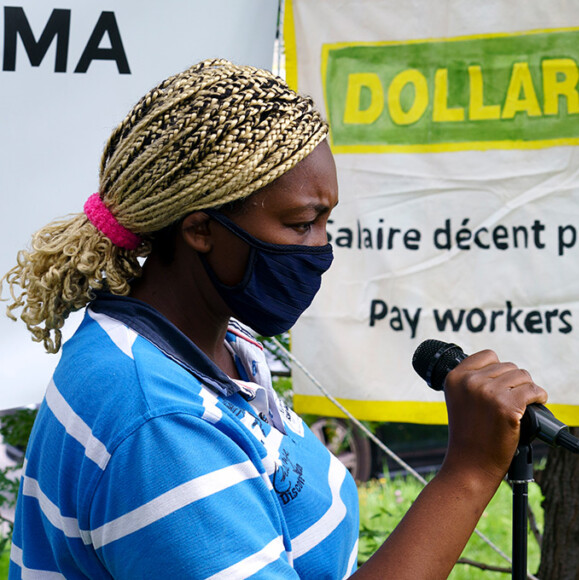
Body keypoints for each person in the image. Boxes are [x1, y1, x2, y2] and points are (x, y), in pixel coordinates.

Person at [3, 59, 546, 579]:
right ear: (200, 229)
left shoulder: (217, 344)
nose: (322, 248)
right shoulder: (158, 424)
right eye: (302, 224)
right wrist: (469, 472)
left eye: (326, 220)